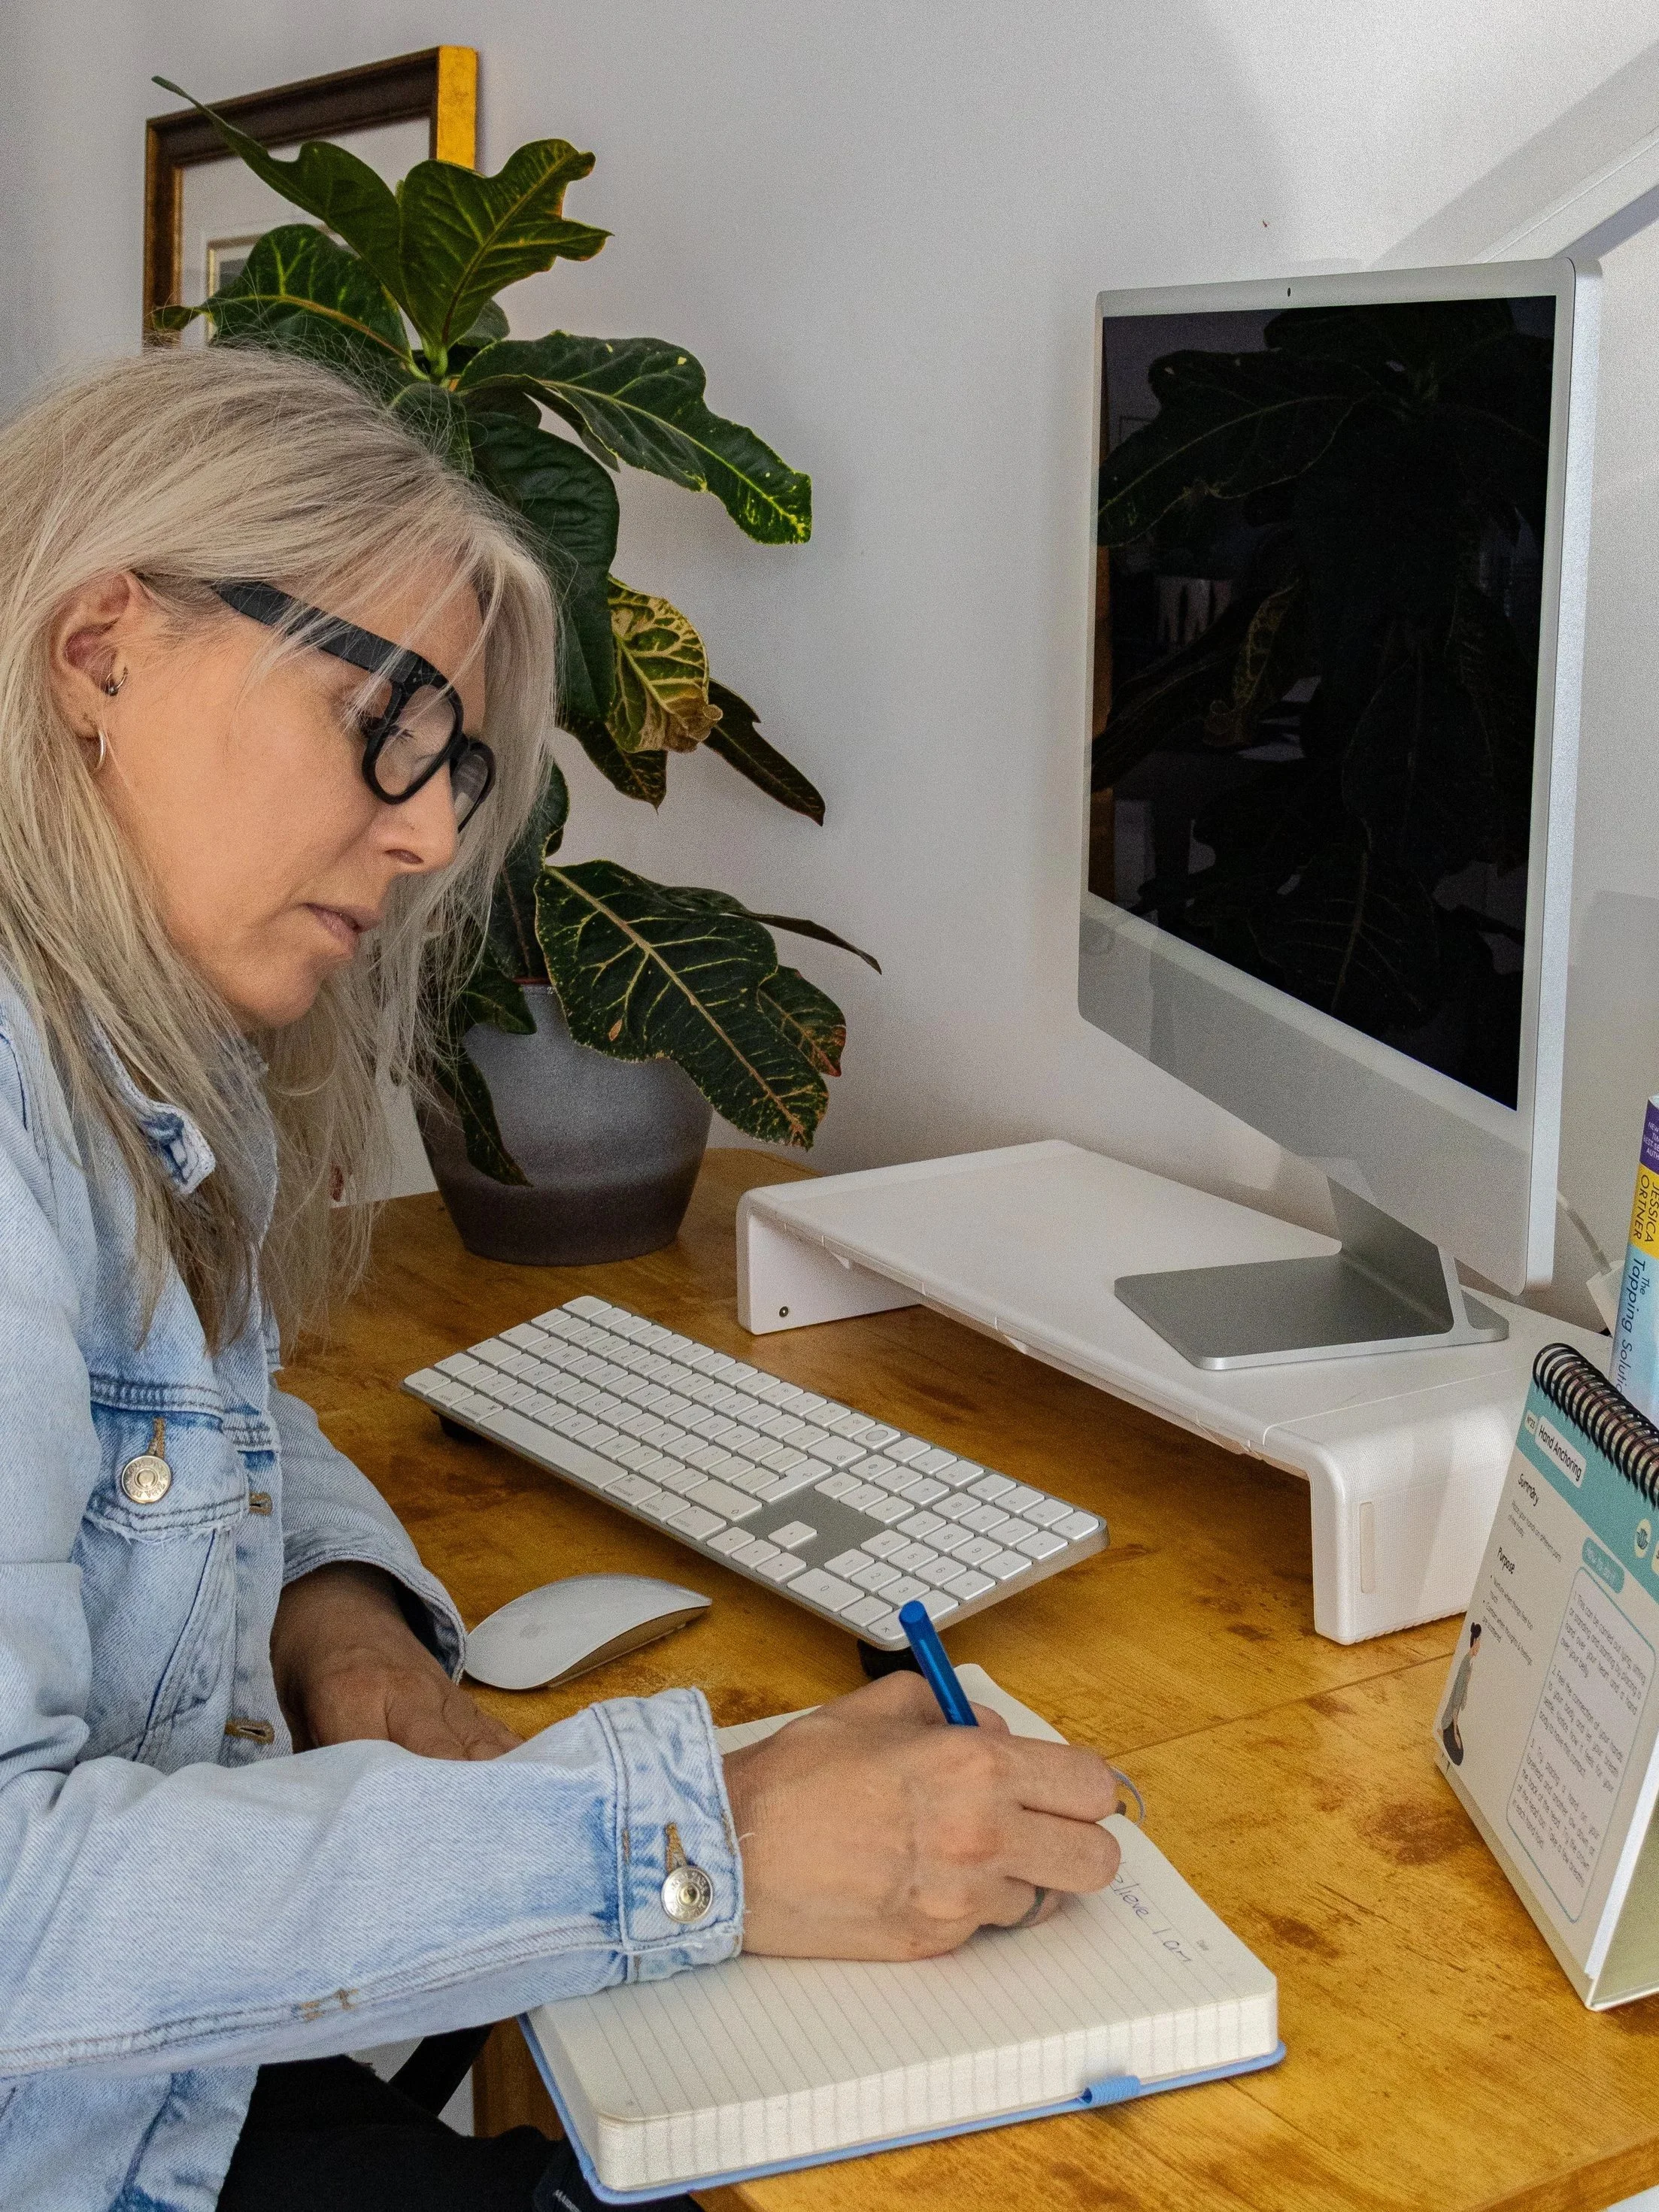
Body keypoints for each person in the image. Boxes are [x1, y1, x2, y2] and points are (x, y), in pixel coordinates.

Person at [0, 347, 1121, 2212]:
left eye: (456, 768)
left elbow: (181, 1409)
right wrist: (719, 1836)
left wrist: (341, 1618)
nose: (434, 832)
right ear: (107, 645)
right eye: (391, 727)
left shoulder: (123, 1061)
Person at [1441, 1621, 1482, 1765]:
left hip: (1452, 1717)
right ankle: (1448, 1736)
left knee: (1459, 1752)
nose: (1479, 1647)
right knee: (1458, 1752)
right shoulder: (1466, 1663)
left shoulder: (1468, 1663)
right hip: (1451, 1717)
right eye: (1478, 1644)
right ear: (1475, 1642)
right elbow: (1457, 1697)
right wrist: (1454, 1728)